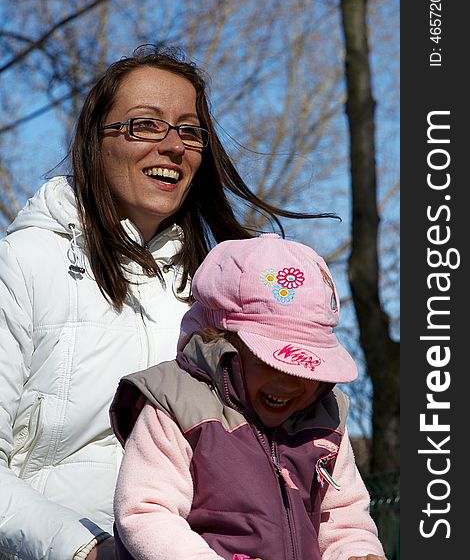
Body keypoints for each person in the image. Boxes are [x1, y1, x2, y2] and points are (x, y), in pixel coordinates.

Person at [0, 46, 333, 560]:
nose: (173, 146)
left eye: (189, 130)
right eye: (145, 125)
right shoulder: (22, 264)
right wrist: (86, 550)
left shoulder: (221, 292)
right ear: (96, 141)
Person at [111, 234, 387, 560]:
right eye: (270, 363)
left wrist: (356, 552)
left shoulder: (325, 424)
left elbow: (344, 518)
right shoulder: (178, 406)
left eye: (308, 369)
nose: (289, 384)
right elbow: (147, 512)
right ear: (224, 343)